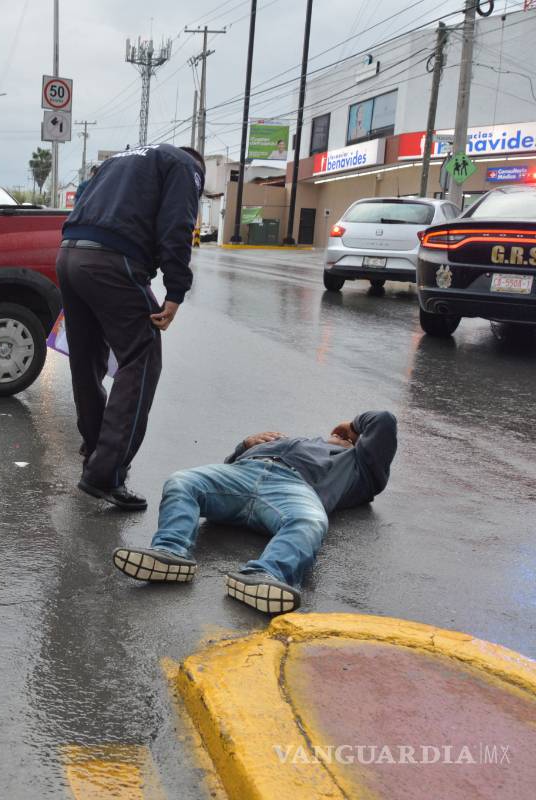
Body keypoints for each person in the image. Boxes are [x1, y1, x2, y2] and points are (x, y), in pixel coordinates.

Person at [112, 411, 398, 614]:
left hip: (295, 487)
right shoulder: (291, 441)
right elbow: (227, 465)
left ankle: (267, 575)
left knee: (309, 521)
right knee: (182, 481)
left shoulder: (360, 468)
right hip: (244, 473)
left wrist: (352, 426)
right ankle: (170, 552)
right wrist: (245, 445)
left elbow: (383, 420)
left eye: (349, 439)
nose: (336, 437)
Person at [57, 144, 206, 510]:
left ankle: (96, 452)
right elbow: (178, 224)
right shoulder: (184, 166)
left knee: (86, 361)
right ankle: (105, 473)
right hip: (111, 260)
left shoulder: (120, 161)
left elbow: (84, 195)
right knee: (142, 356)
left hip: (69, 254)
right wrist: (176, 291)